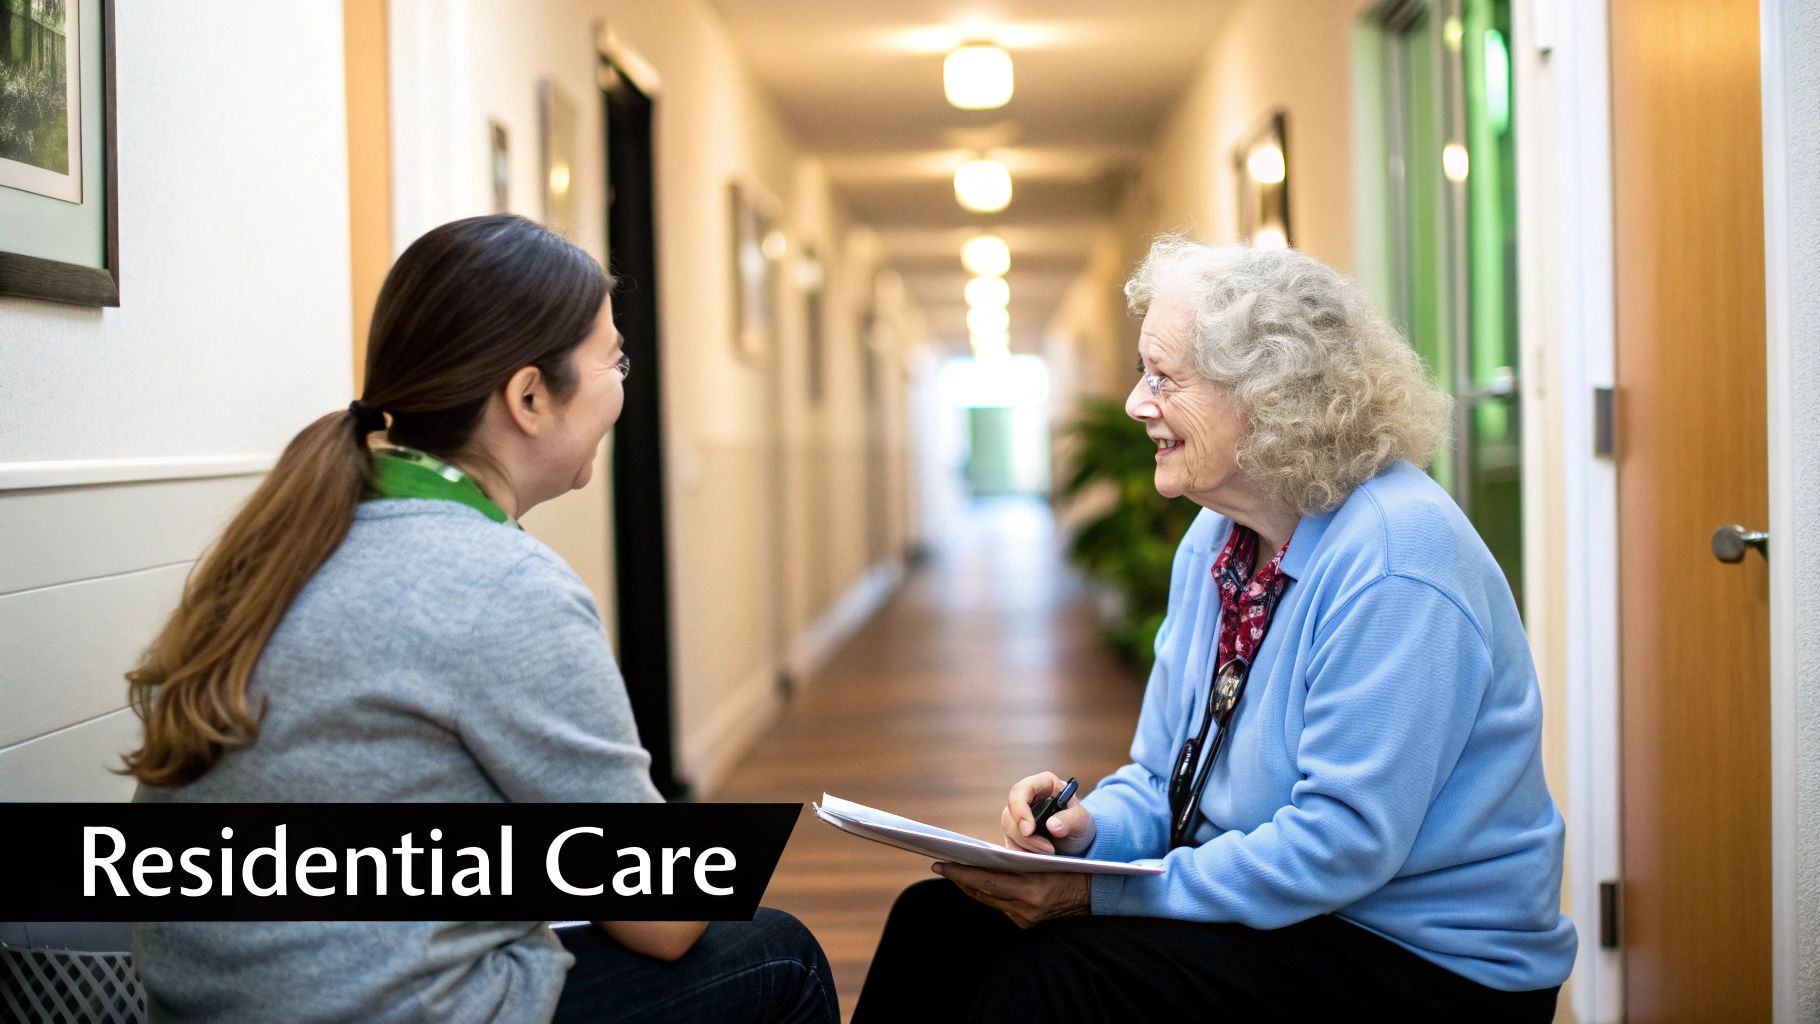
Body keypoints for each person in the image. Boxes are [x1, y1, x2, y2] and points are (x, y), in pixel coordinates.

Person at [123, 214, 837, 1024]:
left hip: (204, 1007)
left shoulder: (287, 540)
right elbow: (664, 919)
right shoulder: (503, 586)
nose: (622, 385)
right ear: (530, 397)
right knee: (777, 952)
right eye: (616, 359)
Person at [854, 237, 1576, 1022]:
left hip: (1424, 963)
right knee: (937, 926)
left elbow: (1341, 846)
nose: (1137, 402)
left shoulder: (1397, 558)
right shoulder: (1215, 541)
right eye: (1142, 372)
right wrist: (1085, 832)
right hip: (1298, 917)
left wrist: (1098, 900)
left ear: (1270, 394)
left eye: (1166, 376)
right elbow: (1164, 775)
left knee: (1061, 974)